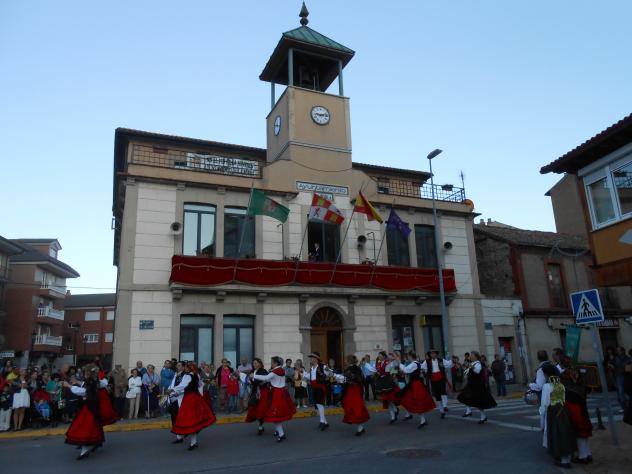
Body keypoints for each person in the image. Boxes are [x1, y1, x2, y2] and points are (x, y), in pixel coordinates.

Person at [171, 362, 216, 451]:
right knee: (194, 420)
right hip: (195, 398)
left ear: (189, 368)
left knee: (191, 420)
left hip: (189, 399)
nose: (186, 369)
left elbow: (182, 386)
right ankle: (193, 441)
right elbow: (199, 385)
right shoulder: (196, 375)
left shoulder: (187, 376)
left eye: (187, 367)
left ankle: (191, 441)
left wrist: (172, 390)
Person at [62, 369, 106, 460]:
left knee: (85, 428)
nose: (84, 374)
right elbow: (87, 386)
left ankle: (85, 450)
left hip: (90, 408)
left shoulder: (91, 383)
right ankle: (97, 442)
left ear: (88, 374)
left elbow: (83, 391)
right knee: (93, 426)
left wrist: (69, 386)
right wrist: (77, 382)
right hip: (92, 407)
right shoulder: (94, 381)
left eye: (85, 373)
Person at [539, 364, 576, 469]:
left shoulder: (547, 386)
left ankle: (563, 460)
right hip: (563, 411)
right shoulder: (560, 384)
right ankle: (567, 458)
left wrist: (542, 423)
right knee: (565, 433)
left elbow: (544, 405)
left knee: (557, 435)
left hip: (553, 412)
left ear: (546, 374)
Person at [252, 356, 296, 442]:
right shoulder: (281, 370)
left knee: (275, 414)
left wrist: (254, 376)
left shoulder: (275, 371)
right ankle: (278, 431)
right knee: (276, 414)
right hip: (281, 392)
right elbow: (271, 379)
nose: (271, 363)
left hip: (277, 393)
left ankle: (281, 434)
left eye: (272, 362)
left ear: (276, 363)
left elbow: (266, 378)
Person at [558, 356, 593, 464]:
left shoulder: (564, 375)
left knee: (578, 429)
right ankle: (587, 453)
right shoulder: (580, 373)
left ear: (562, 365)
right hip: (581, 403)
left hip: (572, 404)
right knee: (584, 428)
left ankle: (583, 456)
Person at [333, 355, 369, 435]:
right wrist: (339, 379)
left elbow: (360, 379)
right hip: (350, 390)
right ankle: (360, 428)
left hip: (354, 390)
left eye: (346, 360)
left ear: (349, 360)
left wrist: (348, 379)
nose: (345, 361)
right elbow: (345, 380)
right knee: (350, 406)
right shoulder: (350, 369)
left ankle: (360, 428)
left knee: (356, 408)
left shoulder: (355, 369)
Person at [398, 351, 436, 428]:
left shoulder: (414, 364)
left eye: (408, 356)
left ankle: (422, 420)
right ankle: (410, 415)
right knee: (408, 399)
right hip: (415, 384)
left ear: (411, 356)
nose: (408, 358)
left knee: (417, 402)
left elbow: (406, 370)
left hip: (415, 385)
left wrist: (399, 362)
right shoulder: (417, 363)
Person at [457, 351, 497, 423]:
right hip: (471, 384)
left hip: (477, 385)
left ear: (476, 356)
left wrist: (471, 367)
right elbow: (466, 372)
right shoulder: (472, 363)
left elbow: (477, 371)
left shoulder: (478, 363)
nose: (471, 356)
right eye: (471, 355)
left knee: (479, 401)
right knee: (464, 396)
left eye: (472, 355)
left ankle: (483, 417)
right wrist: (465, 367)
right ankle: (469, 411)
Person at [302, 352, 332, 430]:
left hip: (320, 387)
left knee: (320, 403)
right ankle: (325, 422)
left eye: (312, 358)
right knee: (318, 404)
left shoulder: (322, 366)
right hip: (314, 388)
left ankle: (322, 422)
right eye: (310, 358)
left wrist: (328, 371)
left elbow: (329, 373)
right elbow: (310, 376)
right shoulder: (312, 368)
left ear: (316, 359)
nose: (310, 359)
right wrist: (304, 374)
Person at [421, 349, 453, 419]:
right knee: (437, 395)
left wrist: (451, 359)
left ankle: (445, 406)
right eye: (431, 353)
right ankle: (441, 411)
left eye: (434, 353)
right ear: (430, 355)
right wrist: (425, 371)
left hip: (441, 378)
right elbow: (422, 367)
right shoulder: (427, 361)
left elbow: (449, 364)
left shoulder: (441, 360)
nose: (432, 354)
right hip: (433, 379)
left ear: (436, 354)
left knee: (443, 391)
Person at [245, 358, 270, 435]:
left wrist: (261, 382)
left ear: (260, 363)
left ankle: (260, 427)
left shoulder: (263, 371)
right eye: (253, 363)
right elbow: (254, 383)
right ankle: (260, 426)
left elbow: (267, 380)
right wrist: (250, 380)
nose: (255, 364)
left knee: (262, 409)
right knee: (254, 409)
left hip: (263, 392)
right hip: (255, 392)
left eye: (256, 363)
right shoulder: (253, 371)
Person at [167, 362, 187, 430]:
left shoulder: (185, 376)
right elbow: (172, 384)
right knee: (173, 414)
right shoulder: (176, 374)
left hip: (180, 397)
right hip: (173, 397)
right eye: (177, 365)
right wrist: (169, 389)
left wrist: (175, 391)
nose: (177, 367)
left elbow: (184, 386)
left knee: (180, 415)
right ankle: (177, 431)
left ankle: (182, 430)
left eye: (179, 365)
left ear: (183, 367)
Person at [613, 347, 631, 412]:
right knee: (620, 392)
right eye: (617, 351)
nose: (618, 352)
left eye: (619, 350)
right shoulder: (616, 358)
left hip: (625, 376)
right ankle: (624, 407)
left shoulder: (627, 358)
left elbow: (626, 367)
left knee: (623, 391)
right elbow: (613, 365)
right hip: (618, 376)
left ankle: (626, 407)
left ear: (623, 351)